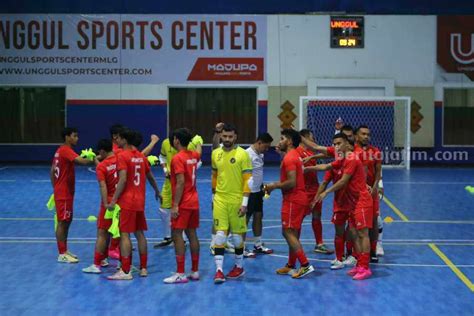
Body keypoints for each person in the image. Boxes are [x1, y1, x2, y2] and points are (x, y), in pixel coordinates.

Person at [310, 133, 374, 280]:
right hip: (353, 203)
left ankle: (365, 267)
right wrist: (308, 168)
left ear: (347, 144)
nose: (336, 147)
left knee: (363, 235)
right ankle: (359, 265)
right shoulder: (343, 159)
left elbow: (343, 182)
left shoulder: (351, 159)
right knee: (355, 234)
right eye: (334, 144)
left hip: (362, 202)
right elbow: (326, 166)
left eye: (339, 143)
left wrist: (326, 192)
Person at [107, 129, 161, 280]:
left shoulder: (122, 156)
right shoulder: (140, 157)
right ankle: (143, 268)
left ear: (125, 140)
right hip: (140, 201)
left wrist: (113, 200)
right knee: (140, 234)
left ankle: (125, 271)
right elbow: (149, 175)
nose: (117, 141)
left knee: (124, 234)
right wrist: (157, 191)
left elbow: (123, 179)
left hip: (127, 201)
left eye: (119, 139)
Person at [266, 129, 315, 279]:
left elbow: (292, 182)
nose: (279, 141)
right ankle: (291, 265)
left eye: (282, 139)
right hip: (299, 198)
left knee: (287, 232)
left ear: (289, 141)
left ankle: (305, 265)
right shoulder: (294, 156)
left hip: (293, 199)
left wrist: (274, 185)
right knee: (293, 233)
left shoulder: (290, 158)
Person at [211, 123, 252, 283]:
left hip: (237, 200)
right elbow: (214, 175)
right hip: (220, 199)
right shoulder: (215, 154)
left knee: (236, 237)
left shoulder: (243, 154)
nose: (227, 139)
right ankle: (219, 271)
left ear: (235, 137)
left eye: (230, 136)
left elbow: (247, 180)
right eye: (225, 136)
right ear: (221, 136)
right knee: (220, 236)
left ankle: (239, 267)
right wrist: (213, 196)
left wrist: (244, 203)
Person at [51, 127, 96, 263]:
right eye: (74, 136)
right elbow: (82, 162)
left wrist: (56, 187)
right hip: (63, 193)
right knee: (62, 222)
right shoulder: (65, 150)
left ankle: (64, 249)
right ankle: (61, 253)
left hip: (64, 192)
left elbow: (52, 170)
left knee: (67, 220)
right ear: (67, 137)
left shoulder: (60, 151)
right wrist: (99, 157)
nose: (77, 138)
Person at [163, 128, 202, 284]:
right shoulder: (194, 156)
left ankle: (180, 273)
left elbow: (179, 183)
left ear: (177, 140)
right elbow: (198, 150)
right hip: (194, 201)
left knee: (177, 234)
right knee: (192, 234)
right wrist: (198, 141)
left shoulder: (177, 158)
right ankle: (195, 271)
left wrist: (175, 205)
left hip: (183, 202)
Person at [154, 134, 198, 248]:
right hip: (169, 183)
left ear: (177, 140)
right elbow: (162, 156)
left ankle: (180, 238)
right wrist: (165, 169)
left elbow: (196, 162)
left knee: (179, 212)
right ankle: (168, 237)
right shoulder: (165, 143)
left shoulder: (187, 150)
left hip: (182, 186)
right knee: (163, 209)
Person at [82, 139, 118, 273]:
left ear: (102, 151)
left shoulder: (102, 167)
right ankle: (108, 260)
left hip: (108, 202)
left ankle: (96, 264)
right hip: (120, 201)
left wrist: (105, 203)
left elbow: (103, 185)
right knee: (117, 233)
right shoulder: (119, 160)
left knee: (102, 233)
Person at [297, 129, 333, 255]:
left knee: (317, 216)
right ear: (305, 138)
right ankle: (295, 244)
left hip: (315, 189)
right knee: (299, 218)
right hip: (304, 191)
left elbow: (330, 153)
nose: (313, 139)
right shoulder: (297, 152)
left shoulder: (311, 152)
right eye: (311, 137)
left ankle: (319, 244)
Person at [354, 125, 383, 262]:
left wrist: (375, 187)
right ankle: (353, 252)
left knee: (374, 221)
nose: (366, 136)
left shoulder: (375, 151)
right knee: (355, 223)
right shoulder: (351, 151)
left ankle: (372, 250)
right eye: (363, 134)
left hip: (371, 192)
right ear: (356, 136)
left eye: (368, 134)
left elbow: (378, 173)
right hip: (355, 192)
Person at [243, 133, 274, 258]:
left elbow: (258, 174)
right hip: (248, 193)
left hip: (258, 191)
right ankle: (242, 247)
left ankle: (257, 245)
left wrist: (264, 191)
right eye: (265, 147)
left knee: (258, 216)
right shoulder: (247, 155)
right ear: (259, 142)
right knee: (244, 220)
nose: (266, 150)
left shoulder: (260, 154)